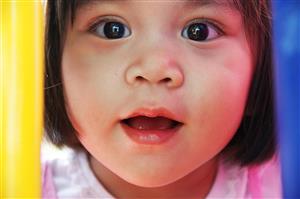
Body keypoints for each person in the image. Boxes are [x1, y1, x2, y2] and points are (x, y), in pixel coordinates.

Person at [42, 0, 282, 198]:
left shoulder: (284, 186)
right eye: (111, 29)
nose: (153, 69)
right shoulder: (18, 185)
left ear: (263, 70)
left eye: (199, 31)